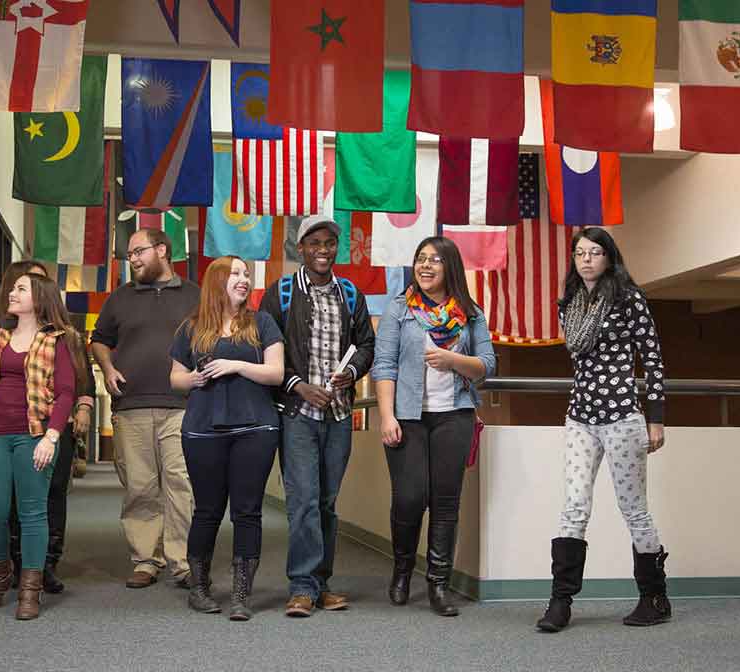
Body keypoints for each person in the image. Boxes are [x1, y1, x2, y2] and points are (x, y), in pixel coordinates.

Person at [536, 227, 671, 633]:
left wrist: (656, 417)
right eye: (580, 253)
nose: (586, 260)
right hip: (580, 416)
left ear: (609, 257)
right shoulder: (570, 302)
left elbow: (652, 359)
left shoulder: (628, 298)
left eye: (595, 252)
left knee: (634, 510)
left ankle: (654, 597)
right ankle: (560, 602)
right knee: (574, 507)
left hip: (622, 416)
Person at [372, 237, 497, 617]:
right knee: (409, 498)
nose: (425, 266)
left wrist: (452, 359)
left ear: (450, 267)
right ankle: (402, 569)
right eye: (421, 259)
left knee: (445, 502)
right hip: (408, 417)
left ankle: (438, 584)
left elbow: (487, 365)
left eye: (435, 260)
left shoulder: (469, 313)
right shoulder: (400, 308)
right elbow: (384, 364)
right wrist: (387, 415)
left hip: (455, 415)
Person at [260, 215, 375, 618]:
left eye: (329, 243)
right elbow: (264, 349)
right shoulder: (281, 294)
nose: (323, 250)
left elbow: (367, 345)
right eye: (315, 243)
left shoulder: (350, 294)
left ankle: (321, 583)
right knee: (304, 500)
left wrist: (353, 371)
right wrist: (297, 385)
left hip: (339, 415)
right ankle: (302, 586)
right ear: (301, 248)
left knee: (326, 501)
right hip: (297, 414)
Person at [0, 262, 94, 594]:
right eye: (14, 287)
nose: (12, 293)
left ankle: (32, 585)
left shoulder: (58, 340)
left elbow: (67, 390)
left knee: (35, 508)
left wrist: (52, 435)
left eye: (21, 289)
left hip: (35, 432)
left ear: (40, 297)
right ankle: (0, 577)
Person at [169, 256, 284, 620]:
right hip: (203, 429)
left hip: (256, 428)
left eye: (246, 274)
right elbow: (176, 378)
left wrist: (236, 365)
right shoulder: (191, 327)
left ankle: (241, 595)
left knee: (247, 511)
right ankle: (199, 588)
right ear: (217, 281)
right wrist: (193, 379)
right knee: (207, 510)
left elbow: (276, 373)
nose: (243, 279)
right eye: (235, 273)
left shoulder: (262, 323)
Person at [90, 228, 199, 589]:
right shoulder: (120, 298)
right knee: (139, 486)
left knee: (180, 483)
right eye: (130, 254)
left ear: (162, 250)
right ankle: (146, 560)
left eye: (139, 251)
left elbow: (212, 338)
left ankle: (182, 561)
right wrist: (107, 368)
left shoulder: (195, 295)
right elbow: (99, 340)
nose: (132, 259)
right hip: (131, 405)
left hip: (182, 405)